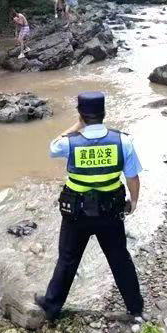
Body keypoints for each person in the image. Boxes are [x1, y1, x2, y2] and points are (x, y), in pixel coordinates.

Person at [35, 91, 144, 321]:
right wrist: (133, 202)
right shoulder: (122, 141)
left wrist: (76, 126)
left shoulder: (69, 143)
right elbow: (132, 177)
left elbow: (52, 147)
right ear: (104, 114)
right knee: (119, 259)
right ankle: (135, 307)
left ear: (81, 115)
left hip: (76, 215)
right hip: (111, 214)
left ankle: (52, 307)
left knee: (67, 260)